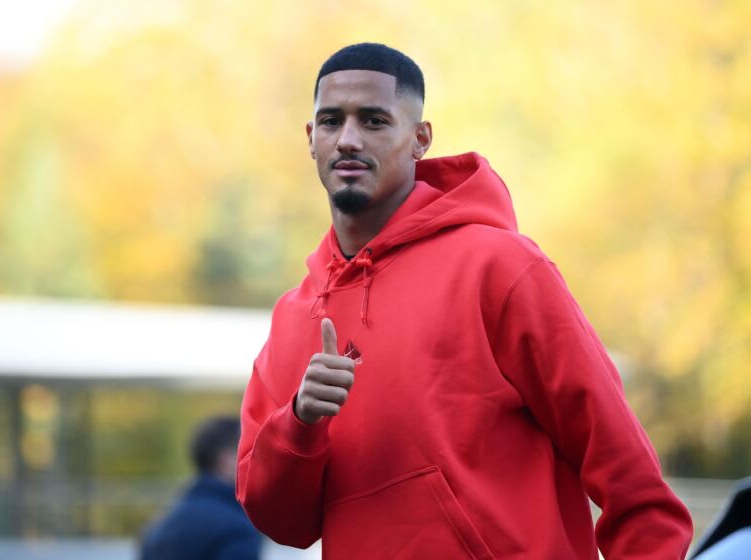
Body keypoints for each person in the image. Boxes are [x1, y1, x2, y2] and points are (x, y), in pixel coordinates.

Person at [237, 43, 693, 559]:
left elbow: (626, 470)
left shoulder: (500, 267)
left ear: (420, 139)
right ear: (310, 139)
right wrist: (300, 423)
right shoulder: (294, 317)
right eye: (330, 121)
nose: (348, 139)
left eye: (374, 120)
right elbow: (283, 523)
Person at [142, 416, 261, 560]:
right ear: (226, 459)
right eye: (248, 450)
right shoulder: (237, 529)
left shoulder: (159, 526)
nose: (257, 460)